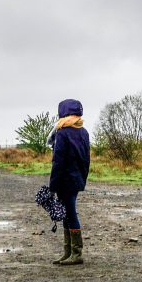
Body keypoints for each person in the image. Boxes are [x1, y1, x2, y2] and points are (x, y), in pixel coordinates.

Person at [49, 99, 91, 266]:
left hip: (64, 180)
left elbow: (58, 161)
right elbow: (86, 159)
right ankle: (69, 252)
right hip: (77, 178)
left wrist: (53, 185)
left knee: (70, 214)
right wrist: (82, 178)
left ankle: (75, 253)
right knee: (67, 213)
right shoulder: (84, 132)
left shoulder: (62, 132)